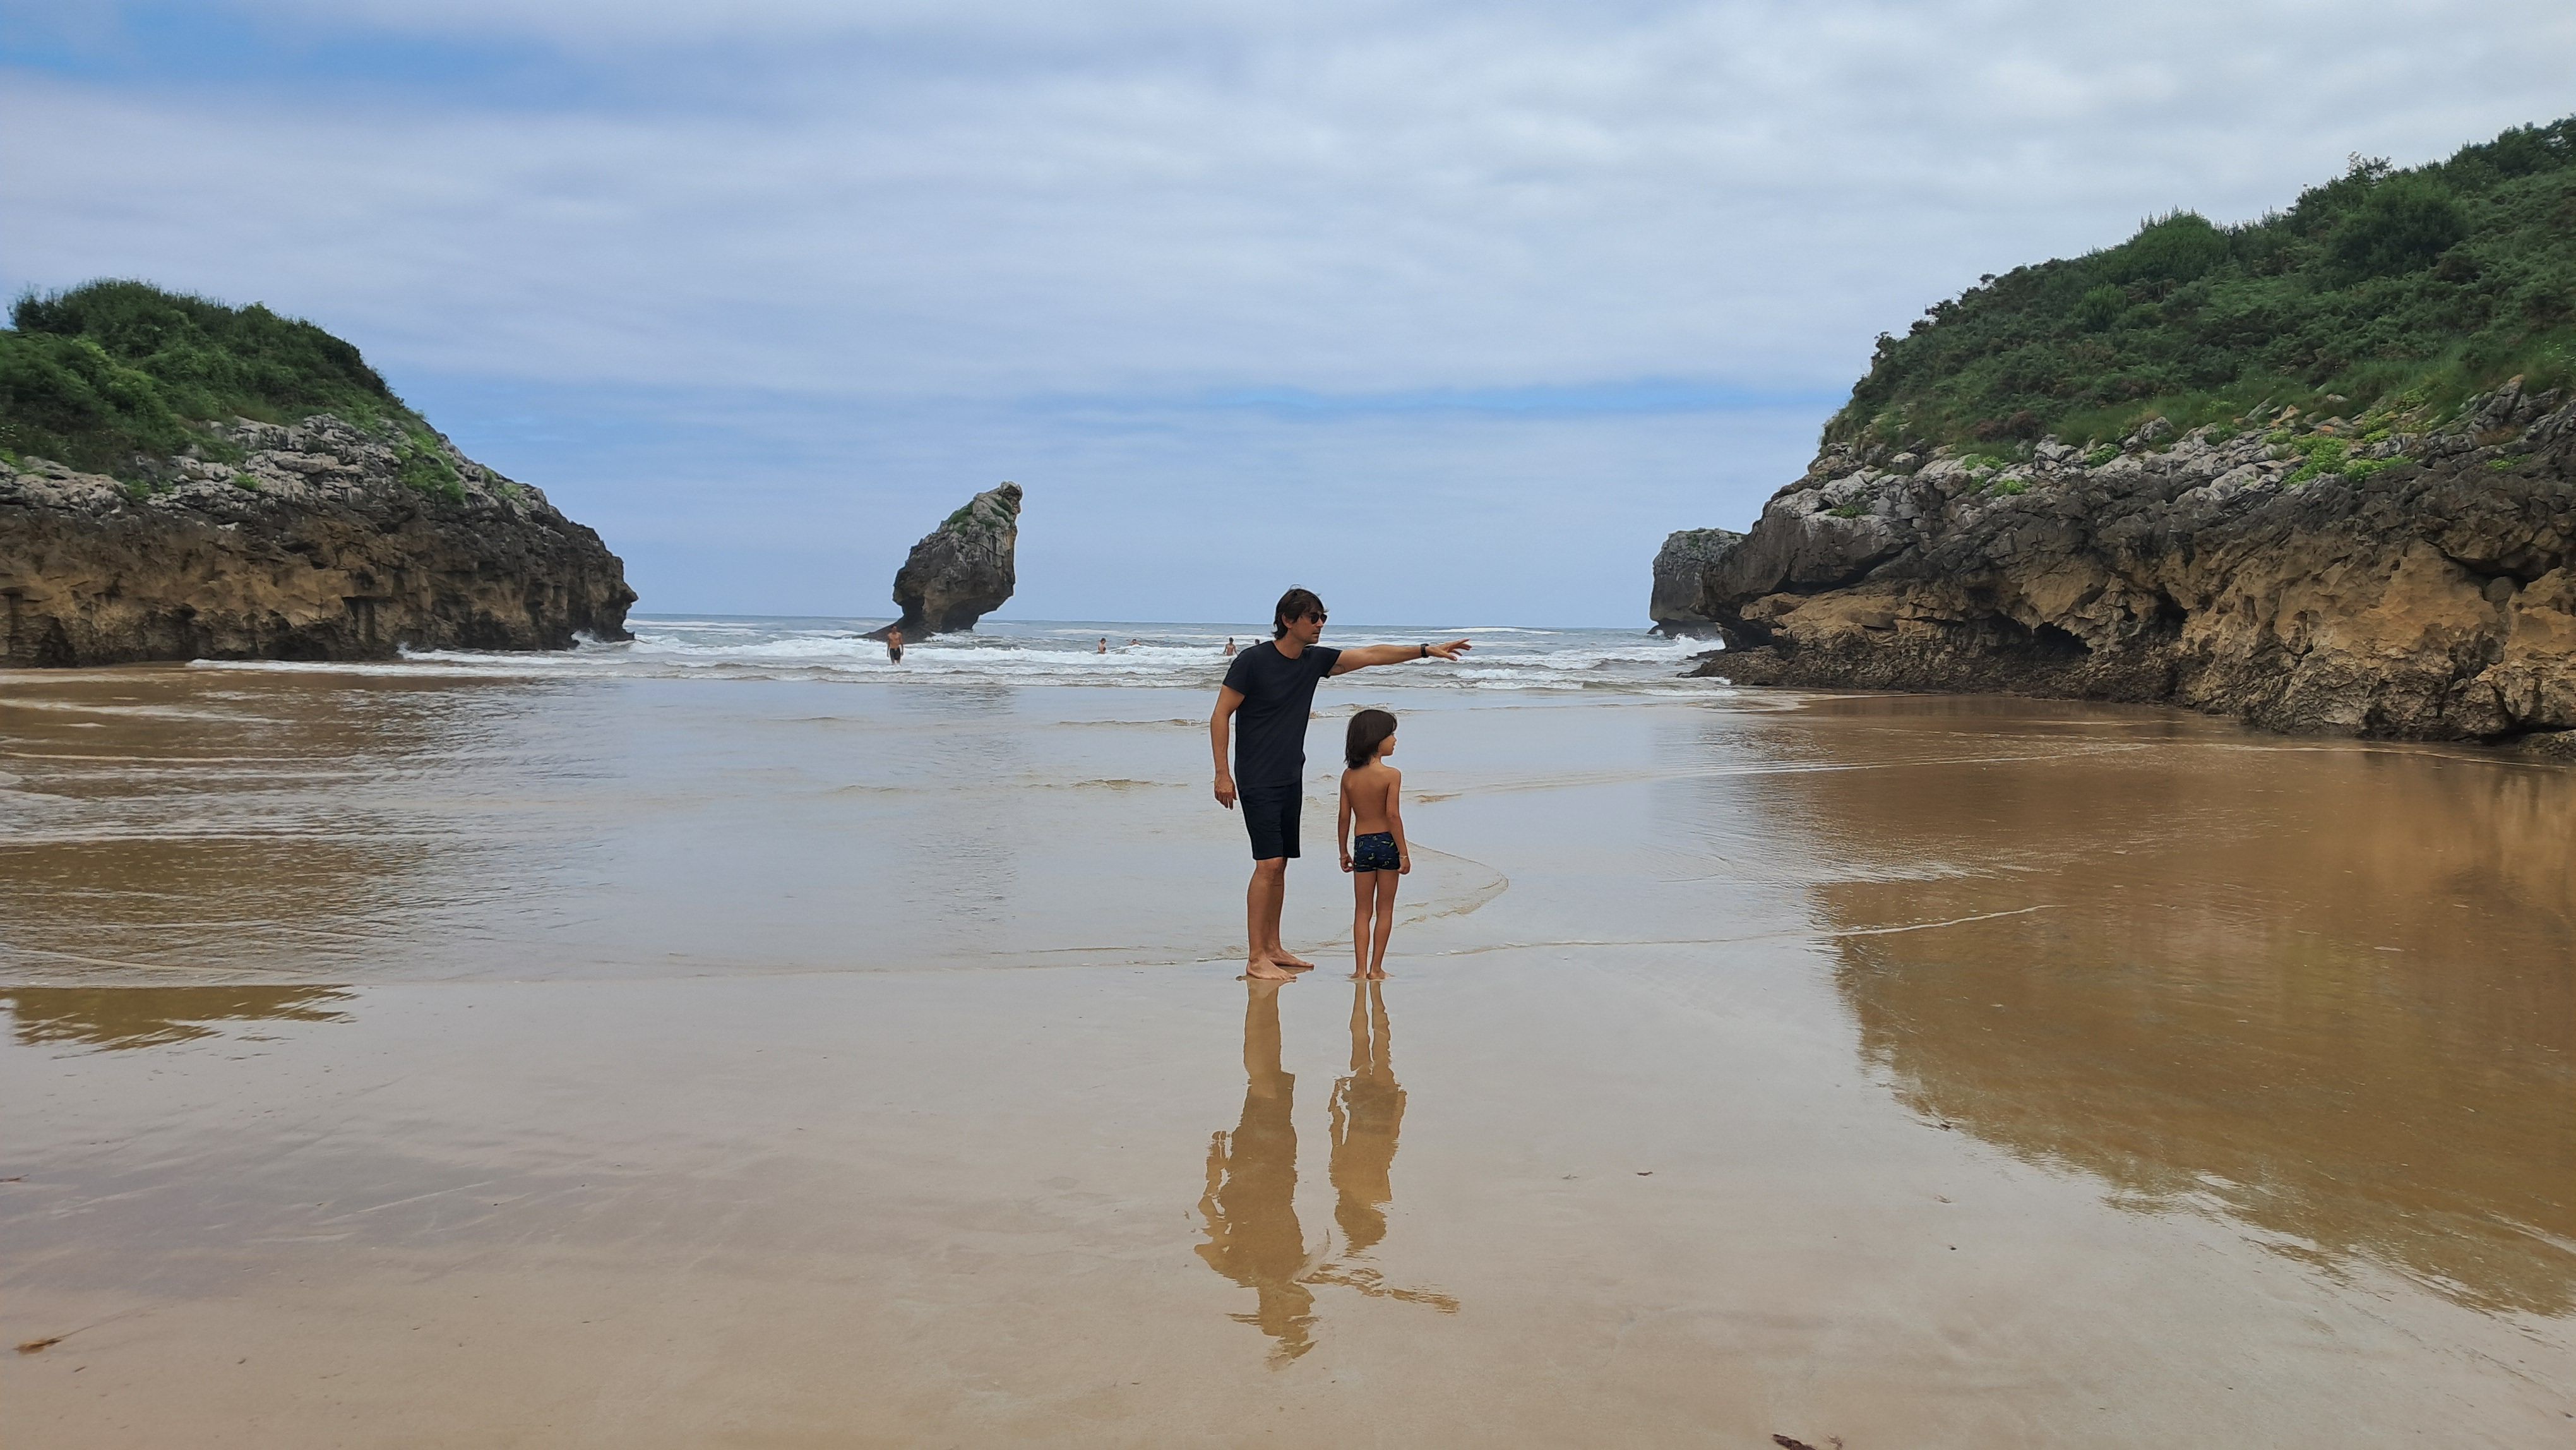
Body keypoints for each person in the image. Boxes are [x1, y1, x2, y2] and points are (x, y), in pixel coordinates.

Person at [1210, 588, 1469, 981]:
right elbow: (1220, 715)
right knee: (1267, 864)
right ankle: (1254, 957)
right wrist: (1222, 773)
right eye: (1313, 618)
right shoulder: (1253, 661)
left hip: (1289, 774)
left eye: (1322, 618)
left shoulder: (1313, 661)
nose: (1320, 625)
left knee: (1280, 866)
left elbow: (1370, 656)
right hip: (1256, 776)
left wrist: (1425, 650)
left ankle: (1274, 947)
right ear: (1287, 619)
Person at [1336, 709, 1407, 978]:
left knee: (1362, 910)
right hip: (1387, 843)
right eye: (1391, 735)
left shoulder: (1349, 777)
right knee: (1385, 909)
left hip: (1362, 844)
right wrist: (1404, 853)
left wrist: (1343, 850)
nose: (1395, 740)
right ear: (1377, 740)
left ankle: (1359, 969)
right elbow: (1392, 815)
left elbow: (1344, 816)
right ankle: (1376, 968)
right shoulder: (1391, 775)